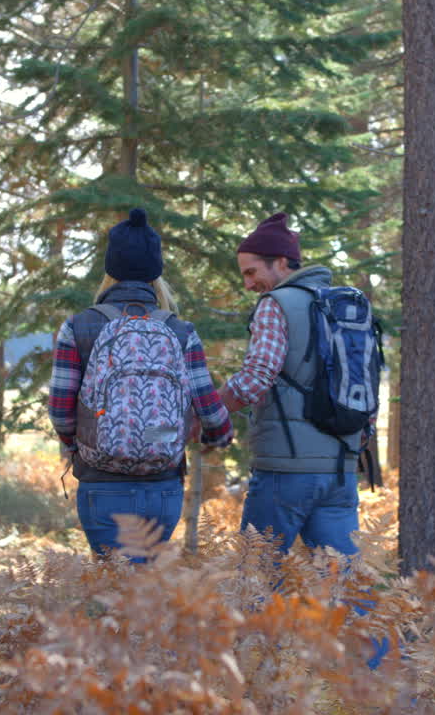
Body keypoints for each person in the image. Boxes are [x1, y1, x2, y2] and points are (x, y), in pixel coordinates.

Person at [49, 208, 233, 560]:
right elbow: (209, 409)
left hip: (102, 487)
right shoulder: (181, 330)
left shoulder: (79, 326)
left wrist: (83, 444)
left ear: (110, 269)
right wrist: (220, 436)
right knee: (147, 595)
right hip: (162, 488)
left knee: (114, 596)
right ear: (156, 272)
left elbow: (60, 411)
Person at [217, 211, 364, 556]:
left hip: (286, 468)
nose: (248, 284)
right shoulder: (344, 305)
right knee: (345, 583)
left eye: (252, 272)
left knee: (258, 576)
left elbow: (256, 377)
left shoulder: (276, 304)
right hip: (340, 471)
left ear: (281, 262)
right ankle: (363, 615)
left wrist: (206, 411)